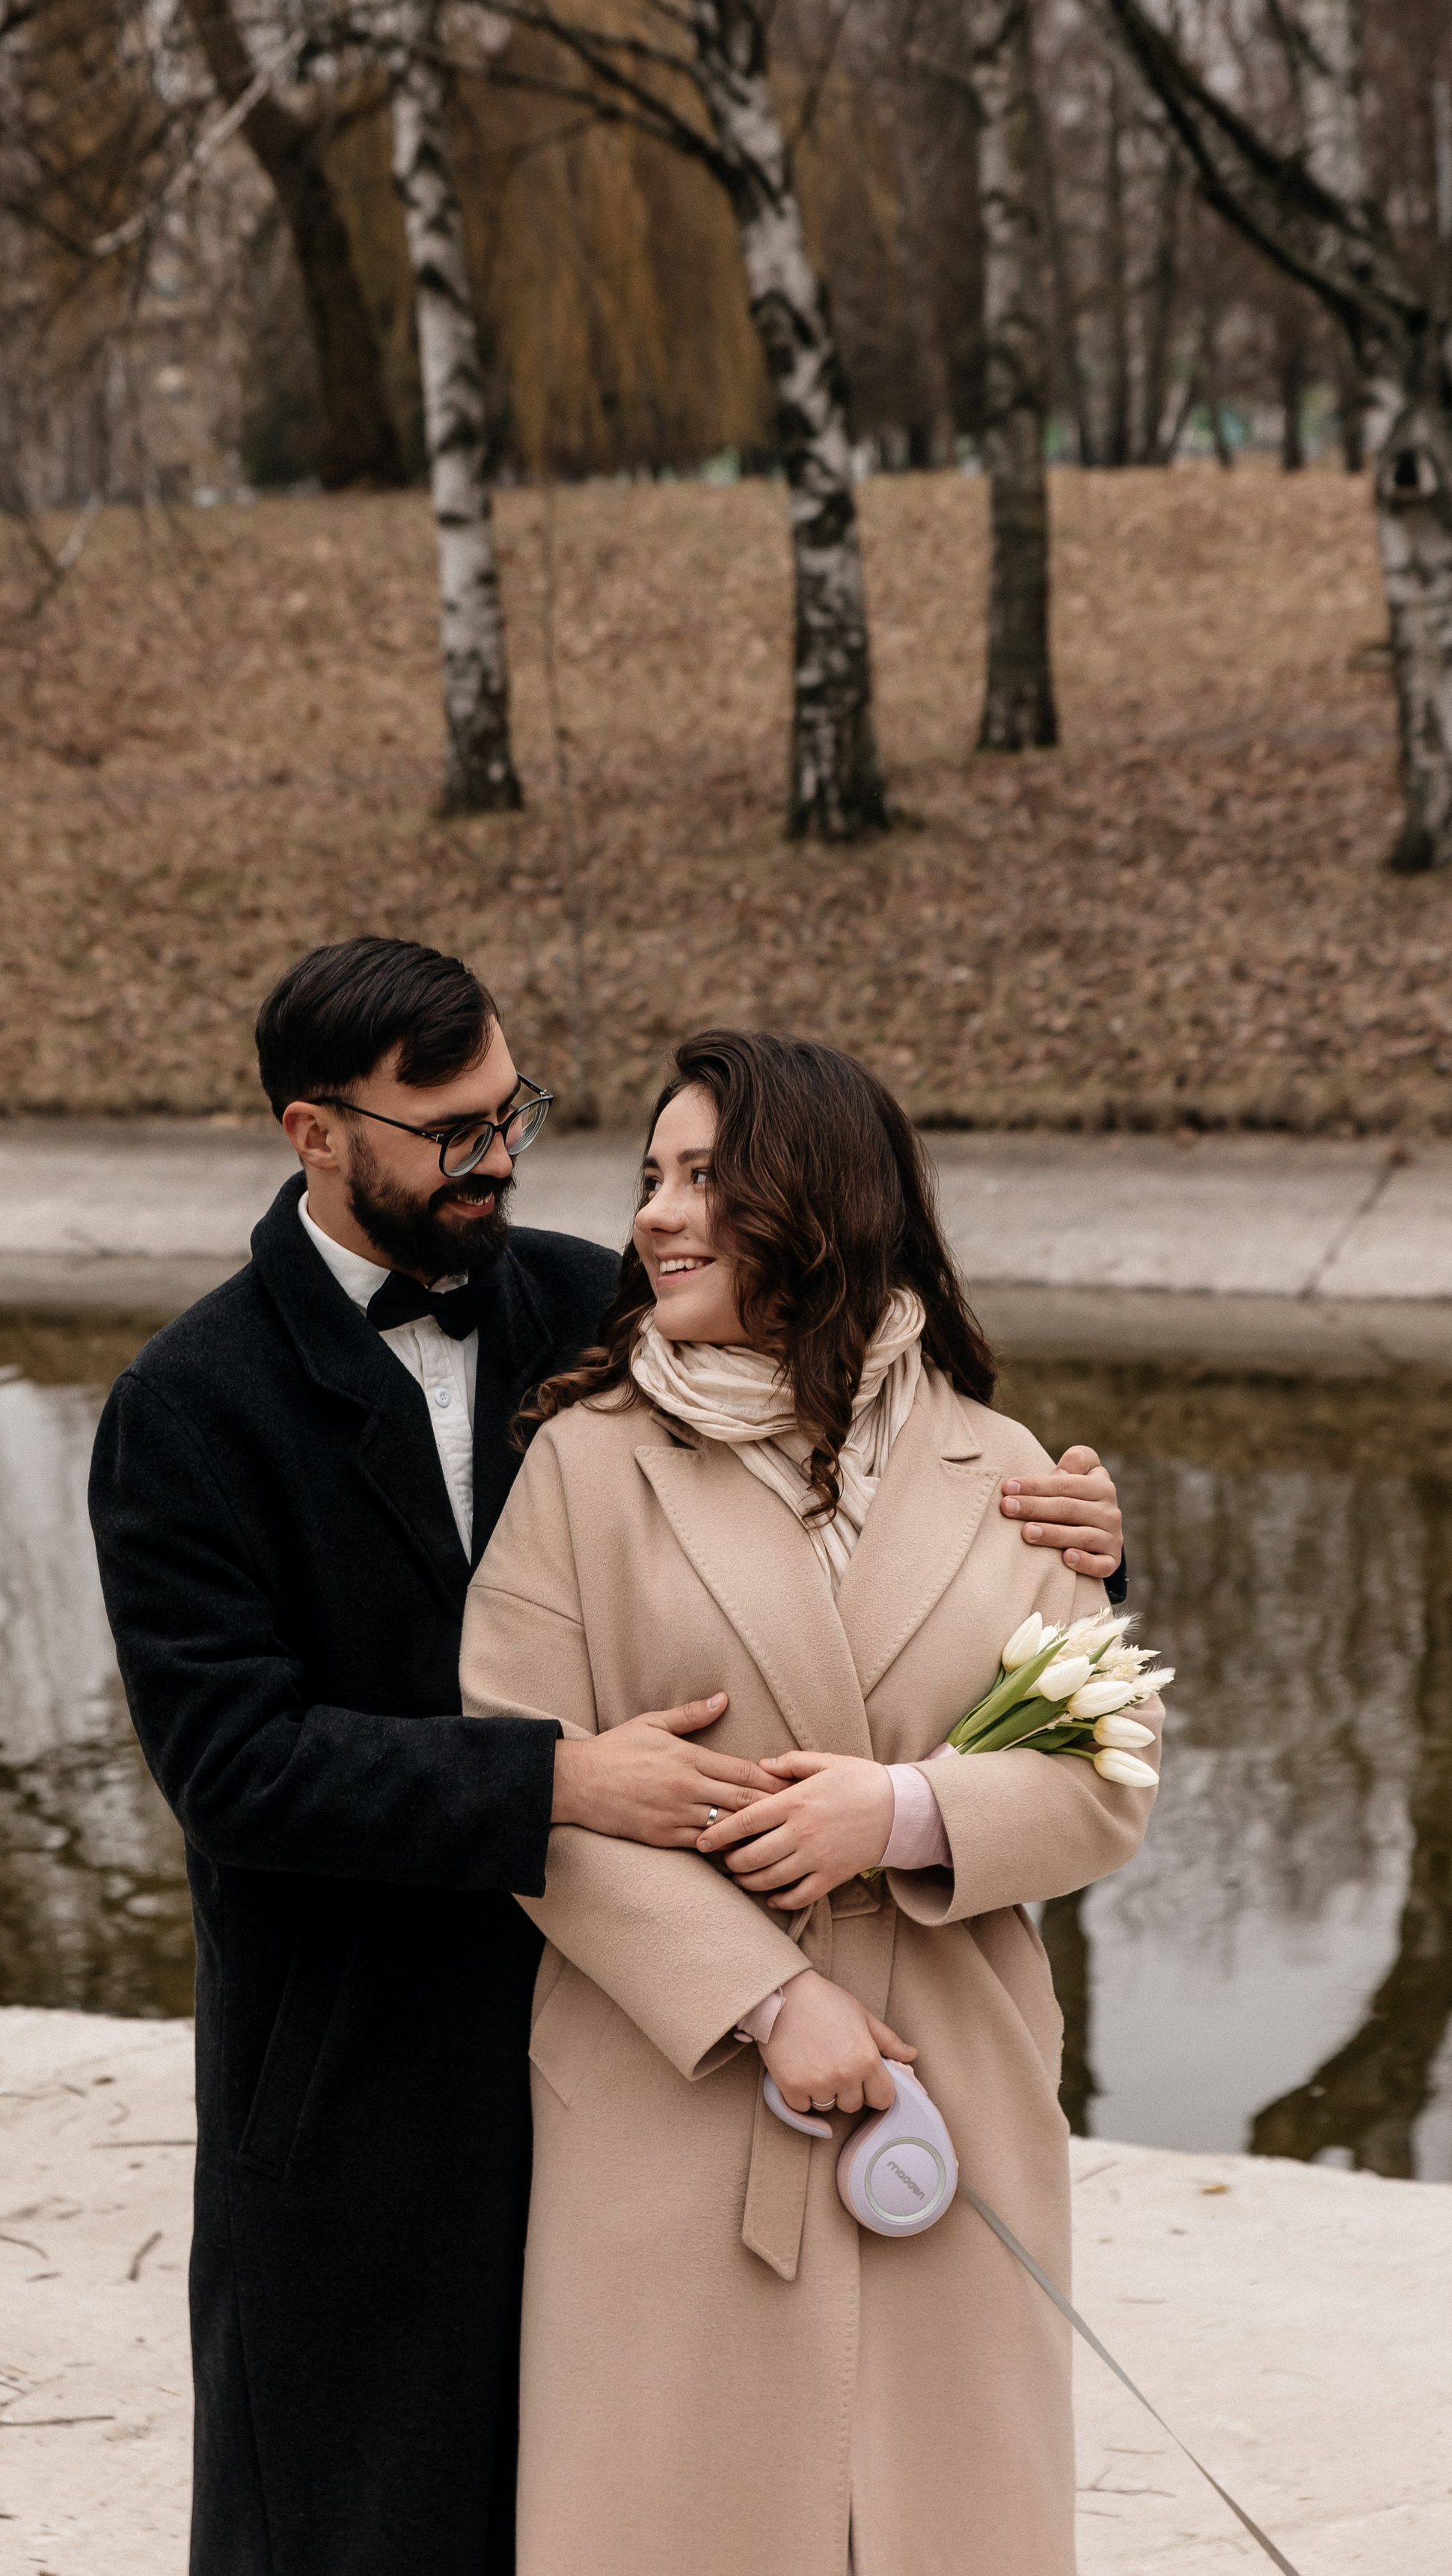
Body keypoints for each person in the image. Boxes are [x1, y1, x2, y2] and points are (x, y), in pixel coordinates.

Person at [90, 940, 1130, 2576]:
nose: (502, 1159)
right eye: (453, 1132)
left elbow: (923, 1549)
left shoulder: (604, 1306)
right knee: (377, 2518)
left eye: (516, 1113)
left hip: (660, 2059)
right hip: (380, 2066)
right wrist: (554, 1785)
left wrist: (1081, 1557)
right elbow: (230, 1765)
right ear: (316, 1132)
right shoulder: (189, 1405)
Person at [460, 1028, 1162, 2576]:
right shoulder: (584, 1464)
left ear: (819, 1198)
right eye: (651, 1177)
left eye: (703, 1177)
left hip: (951, 2080)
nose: (655, 1214)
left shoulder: (1006, 1465)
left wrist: (901, 1813)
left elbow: (1107, 1764)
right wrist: (768, 2000)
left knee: (945, 2526)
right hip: (674, 2091)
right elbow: (523, 1778)